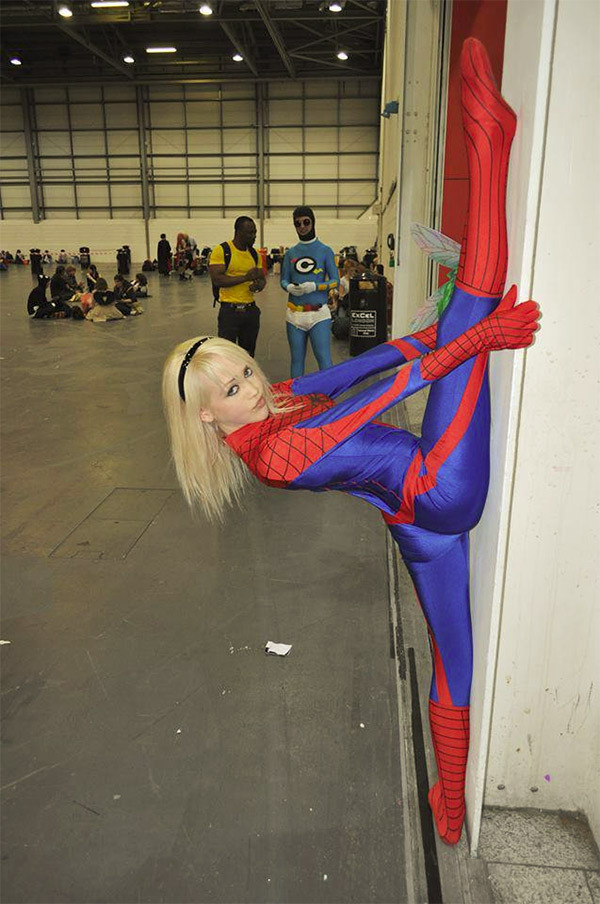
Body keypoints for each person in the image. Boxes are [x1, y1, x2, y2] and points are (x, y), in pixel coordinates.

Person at [164, 40, 534, 846]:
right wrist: (469, 342)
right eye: (230, 390)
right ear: (205, 419)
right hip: (435, 488)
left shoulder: (268, 410)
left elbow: (354, 372)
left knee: (454, 658)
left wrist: (421, 340)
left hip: (417, 527)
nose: (252, 386)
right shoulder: (269, 452)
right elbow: (377, 402)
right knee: (475, 315)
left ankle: (447, 800)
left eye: (243, 371)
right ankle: (491, 148)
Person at [280, 207, 339, 378]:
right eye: (297, 224)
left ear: (313, 222)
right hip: (294, 315)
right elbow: (283, 280)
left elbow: (335, 280)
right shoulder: (291, 253)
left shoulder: (325, 250)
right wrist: (289, 287)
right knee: (296, 361)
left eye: (306, 222)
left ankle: (330, 398)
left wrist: (315, 286)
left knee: (324, 360)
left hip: (319, 314)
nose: (302, 227)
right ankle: (296, 399)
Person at [208, 216, 266, 357]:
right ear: (238, 232)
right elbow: (217, 279)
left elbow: (262, 279)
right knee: (227, 355)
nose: (254, 236)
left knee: (248, 355)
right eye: (250, 233)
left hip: (250, 312)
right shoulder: (222, 251)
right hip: (229, 312)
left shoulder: (254, 254)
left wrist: (258, 285)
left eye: (255, 232)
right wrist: (245, 278)